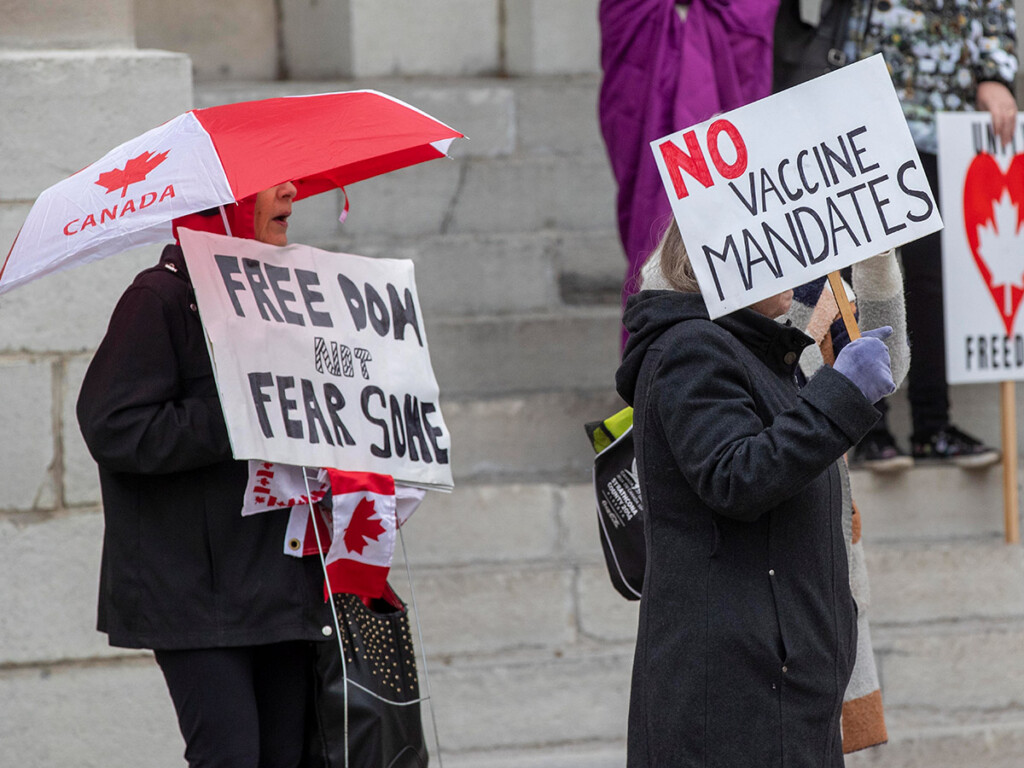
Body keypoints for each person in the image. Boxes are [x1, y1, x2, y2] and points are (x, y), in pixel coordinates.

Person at [617, 219, 896, 767]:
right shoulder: (691, 349)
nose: (798, 264)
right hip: (734, 694)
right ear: (726, 264)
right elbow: (736, 476)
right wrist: (840, 394)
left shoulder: (753, 349)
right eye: (775, 249)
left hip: (778, 683)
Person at [77, 182, 333, 768]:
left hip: (281, 584)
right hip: (194, 593)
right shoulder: (158, 299)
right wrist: (240, 413)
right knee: (230, 756)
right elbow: (113, 427)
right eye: (272, 182)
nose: (292, 190)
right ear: (225, 206)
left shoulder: (288, 299)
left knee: (288, 757)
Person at [778, 0, 1018, 469]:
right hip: (857, 106)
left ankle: (932, 426)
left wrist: (996, 71)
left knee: (930, 279)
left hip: (941, 115)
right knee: (856, 274)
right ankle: (865, 423)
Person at [598, 0, 780, 345]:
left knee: (735, 216)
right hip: (641, 30)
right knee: (652, 220)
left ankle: (734, 364)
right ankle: (658, 360)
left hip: (736, 21)